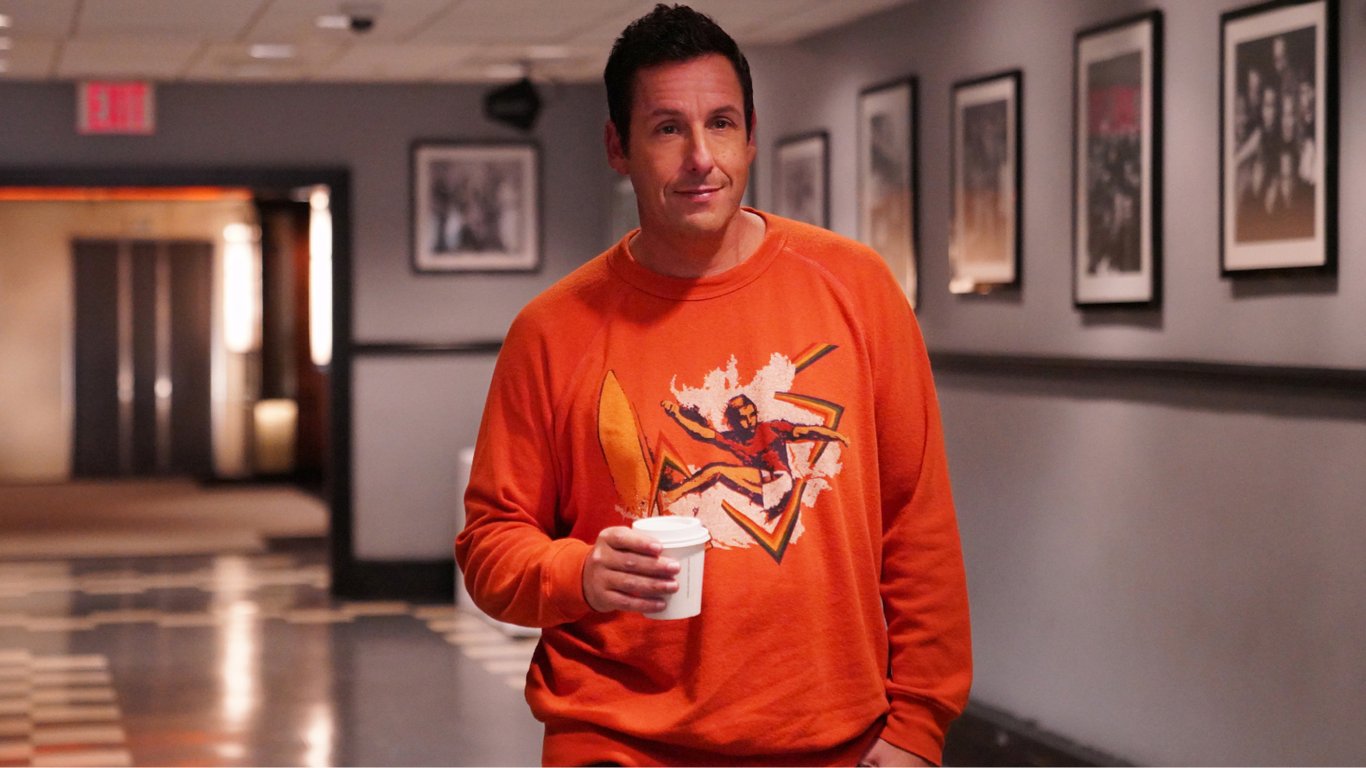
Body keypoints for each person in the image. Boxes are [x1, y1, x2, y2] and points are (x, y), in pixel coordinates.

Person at [455, 4, 971, 765]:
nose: (701, 157)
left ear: (750, 134)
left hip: (833, 741)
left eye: (721, 123)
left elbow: (917, 525)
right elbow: (490, 546)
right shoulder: (552, 330)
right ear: (618, 147)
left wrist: (919, 726)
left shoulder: (856, 287)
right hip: (617, 741)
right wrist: (581, 573)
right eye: (668, 129)